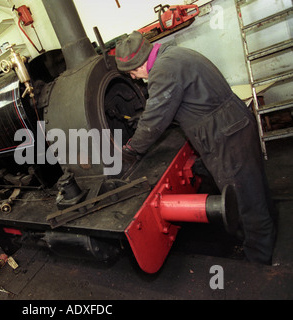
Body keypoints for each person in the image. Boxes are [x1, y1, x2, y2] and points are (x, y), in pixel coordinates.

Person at [115, 31, 276, 265]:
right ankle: (269, 229)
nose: (135, 78)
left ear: (139, 64)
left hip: (224, 134)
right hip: (232, 124)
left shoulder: (163, 70)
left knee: (244, 200)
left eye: (132, 72)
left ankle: (260, 263)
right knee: (254, 187)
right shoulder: (174, 54)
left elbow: (153, 122)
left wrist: (131, 150)